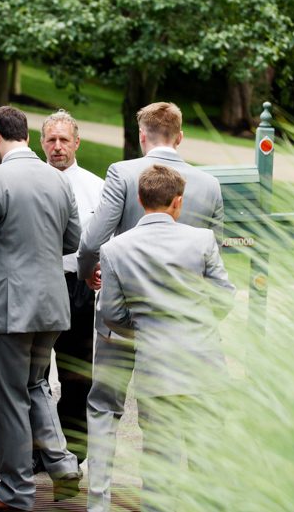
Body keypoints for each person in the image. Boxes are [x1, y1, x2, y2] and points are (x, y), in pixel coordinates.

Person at [76, 101, 224, 512]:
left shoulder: (121, 173)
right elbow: (217, 257)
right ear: (180, 136)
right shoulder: (209, 184)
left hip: (120, 318)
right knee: (179, 414)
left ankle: (99, 502)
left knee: (105, 406)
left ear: (142, 136)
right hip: (181, 328)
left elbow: (92, 242)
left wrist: (91, 274)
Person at [0, 106, 83, 512]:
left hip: (11, 309)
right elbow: (73, 239)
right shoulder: (59, 180)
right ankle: (64, 467)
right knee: (36, 387)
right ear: (27, 137)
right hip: (52, 306)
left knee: (8, 397)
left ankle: (15, 491)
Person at [98, 164, 235, 512]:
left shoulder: (116, 249)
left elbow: (112, 314)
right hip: (204, 363)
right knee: (209, 460)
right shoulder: (201, 239)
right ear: (178, 202)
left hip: (156, 367)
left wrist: (144, 328)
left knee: (159, 462)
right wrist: (200, 322)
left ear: (141, 200)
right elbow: (225, 295)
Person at [38, 110, 104, 464]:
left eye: (65, 139)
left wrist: (100, 270)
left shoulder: (97, 187)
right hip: (37, 285)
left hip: (76, 287)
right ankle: (35, 450)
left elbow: (110, 238)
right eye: (52, 139)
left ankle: (72, 452)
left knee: (78, 375)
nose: (58, 146)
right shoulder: (30, 182)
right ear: (41, 143)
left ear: (77, 142)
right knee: (35, 374)